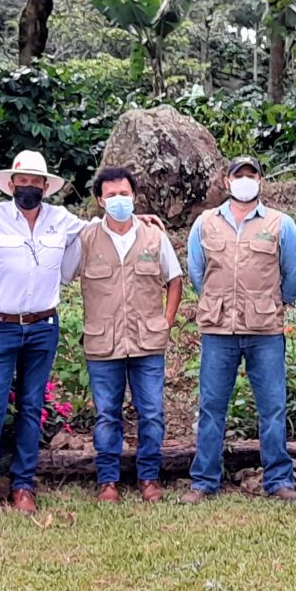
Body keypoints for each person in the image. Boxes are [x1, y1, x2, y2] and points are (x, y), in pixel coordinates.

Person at [0, 151, 87, 519]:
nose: (29, 187)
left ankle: (23, 485)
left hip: (43, 326)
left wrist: (138, 219)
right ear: (11, 184)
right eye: (22, 181)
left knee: (32, 407)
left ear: (46, 186)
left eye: (36, 182)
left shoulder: (62, 220)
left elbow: (100, 226)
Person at [182, 156, 296, 504]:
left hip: (264, 329)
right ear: (227, 181)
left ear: (261, 181)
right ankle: (204, 481)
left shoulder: (281, 224)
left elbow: (293, 274)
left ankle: (279, 480)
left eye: (252, 175)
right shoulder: (206, 223)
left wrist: (272, 302)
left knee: (272, 407)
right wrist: (218, 300)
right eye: (240, 175)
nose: (245, 180)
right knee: (210, 406)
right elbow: (197, 272)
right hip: (218, 330)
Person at [70, 167, 184, 503]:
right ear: (99, 200)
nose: (118, 200)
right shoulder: (86, 239)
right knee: (107, 415)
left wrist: (166, 320)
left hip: (147, 342)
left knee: (151, 412)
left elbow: (174, 279)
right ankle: (108, 481)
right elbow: (62, 273)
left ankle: (149, 477)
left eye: (124, 194)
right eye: (111, 195)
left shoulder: (153, 236)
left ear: (134, 196)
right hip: (103, 344)